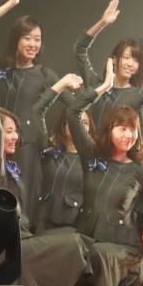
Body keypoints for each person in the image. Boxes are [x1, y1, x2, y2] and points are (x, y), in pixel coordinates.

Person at [0, 78, 95, 286]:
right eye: (8, 131)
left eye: (16, 131)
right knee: (76, 244)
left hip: (23, 238)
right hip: (8, 246)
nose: (15, 137)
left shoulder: (10, 167)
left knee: (82, 243)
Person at [65, 59, 143, 286]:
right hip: (87, 240)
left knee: (97, 255)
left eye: (133, 129)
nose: (129, 135)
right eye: (122, 128)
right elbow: (72, 112)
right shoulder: (92, 155)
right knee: (64, 251)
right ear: (109, 130)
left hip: (123, 247)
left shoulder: (141, 171)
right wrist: (102, 88)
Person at [0, 0, 73, 210]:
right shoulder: (0, 67)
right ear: (16, 39)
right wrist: (10, 4)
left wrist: (58, 137)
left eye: (37, 39)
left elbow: (73, 106)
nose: (32, 44)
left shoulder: (45, 74)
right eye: (27, 38)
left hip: (28, 146)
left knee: (23, 199)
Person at [73, 0, 143, 145]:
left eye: (136, 60)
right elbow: (80, 49)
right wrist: (102, 23)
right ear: (114, 59)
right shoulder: (96, 85)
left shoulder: (139, 94)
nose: (130, 64)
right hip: (92, 155)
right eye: (126, 57)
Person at [30, 73, 86, 233]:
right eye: (74, 120)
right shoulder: (49, 149)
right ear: (64, 124)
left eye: (85, 122)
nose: (79, 125)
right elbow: (36, 111)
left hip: (73, 227)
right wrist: (62, 84)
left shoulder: (93, 159)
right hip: (42, 222)